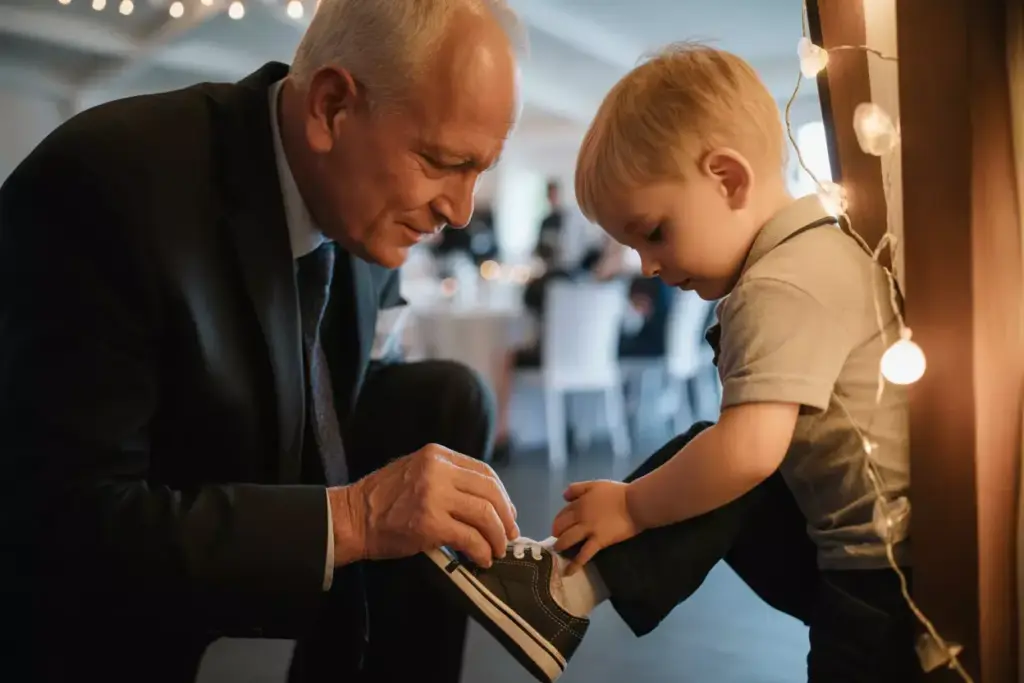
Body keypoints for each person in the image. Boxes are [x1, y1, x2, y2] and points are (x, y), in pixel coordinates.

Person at [0, 1, 527, 682]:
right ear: (333, 107)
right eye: (439, 161)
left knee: (448, 398)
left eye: (479, 169)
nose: (458, 210)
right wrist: (355, 516)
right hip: (66, 617)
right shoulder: (108, 184)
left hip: (235, 482)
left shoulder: (361, 209)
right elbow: (60, 521)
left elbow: (334, 396)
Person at [425, 44, 917, 683]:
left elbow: (746, 455)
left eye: (654, 232)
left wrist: (630, 507)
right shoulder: (823, 250)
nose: (647, 266)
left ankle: (565, 588)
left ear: (728, 179)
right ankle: (566, 589)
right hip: (882, 550)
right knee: (705, 453)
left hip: (878, 573)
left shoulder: (778, 285)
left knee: (719, 454)